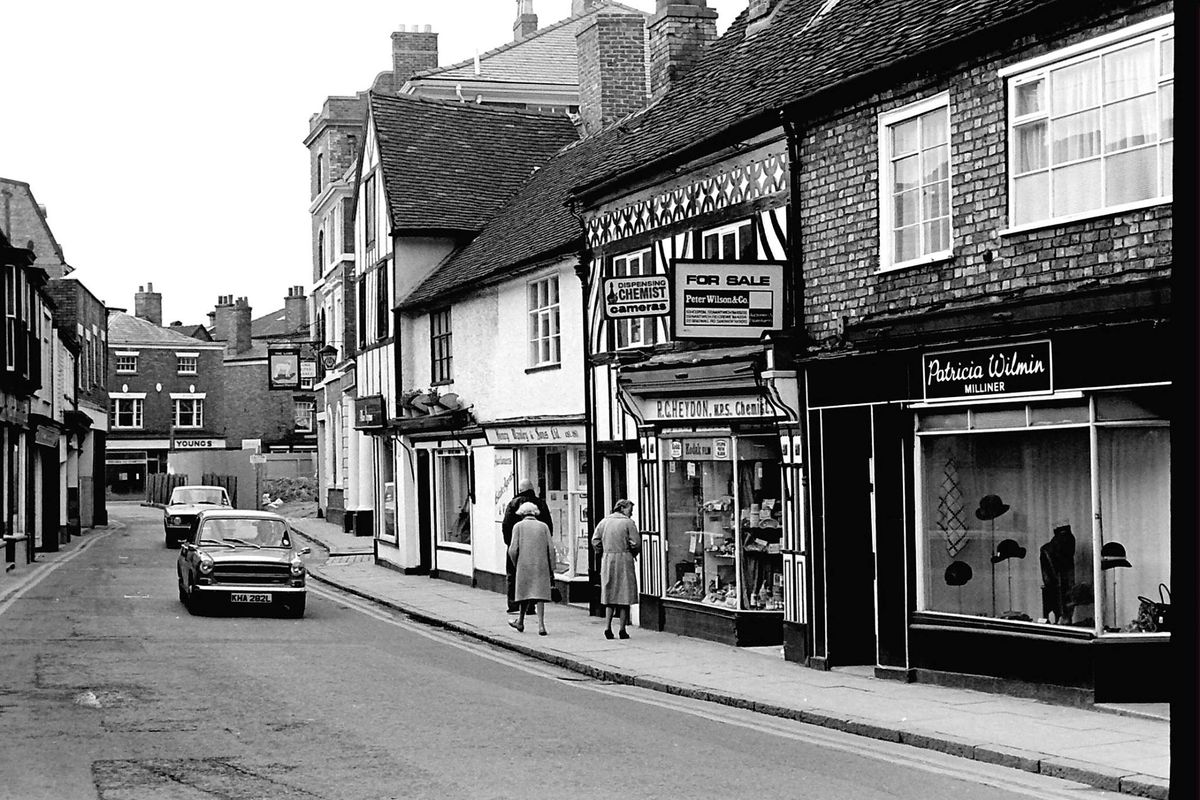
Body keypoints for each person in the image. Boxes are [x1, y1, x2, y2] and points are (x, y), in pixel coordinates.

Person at [501, 479, 553, 613]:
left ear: (520, 490)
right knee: (534, 577)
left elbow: (506, 526)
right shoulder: (540, 503)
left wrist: (510, 544)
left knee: (513, 575)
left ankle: (513, 604)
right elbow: (549, 526)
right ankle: (530, 606)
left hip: (516, 545)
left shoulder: (513, 504)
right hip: (536, 548)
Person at [591, 499, 640, 640]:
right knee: (624, 596)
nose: (631, 513)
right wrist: (632, 551)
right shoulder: (628, 523)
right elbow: (636, 543)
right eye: (630, 509)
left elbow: (595, 541)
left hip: (608, 560)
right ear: (623, 508)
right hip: (624, 559)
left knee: (610, 596)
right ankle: (622, 630)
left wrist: (603, 551)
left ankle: (607, 627)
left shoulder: (604, 522)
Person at [507, 502, 556, 636]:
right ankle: (541, 626)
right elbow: (551, 549)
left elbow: (512, 549)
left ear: (522, 513)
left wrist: (516, 563)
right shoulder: (543, 526)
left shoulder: (518, 527)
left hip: (524, 565)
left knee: (525, 595)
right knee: (539, 595)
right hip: (541, 565)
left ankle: (521, 621)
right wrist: (552, 567)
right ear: (535, 512)